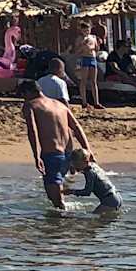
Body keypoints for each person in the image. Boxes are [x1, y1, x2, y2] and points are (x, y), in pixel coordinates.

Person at [22, 77, 92, 210]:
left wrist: (36, 156)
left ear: (28, 92)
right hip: (68, 155)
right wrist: (87, 149)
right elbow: (76, 127)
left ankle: (64, 220)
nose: (24, 99)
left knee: (57, 203)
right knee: (58, 197)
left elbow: (32, 130)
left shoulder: (31, 105)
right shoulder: (60, 105)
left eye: (23, 96)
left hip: (51, 155)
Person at [74, 21, 105, 109]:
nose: (86, 32)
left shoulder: (93, 37)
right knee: (83, 81)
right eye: (85, 31)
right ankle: (84, 102)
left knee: (93, 81)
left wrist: (98, 44)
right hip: (84, 58)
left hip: (92, 58)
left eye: (88, 30)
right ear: (81, 30)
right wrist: (83, 45)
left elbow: (96, 49)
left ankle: (96, 102)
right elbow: (76, 51)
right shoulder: (80, 39)